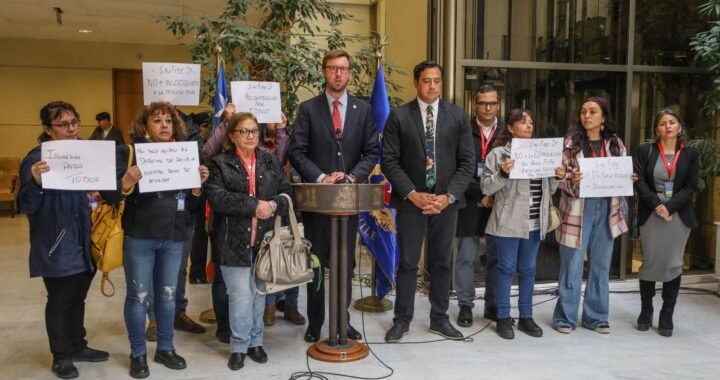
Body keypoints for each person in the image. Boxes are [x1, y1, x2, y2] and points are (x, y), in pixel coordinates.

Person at [288, 49, 379, 343]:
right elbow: (297, 151)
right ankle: (316, 323)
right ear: (324, 72)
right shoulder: (308, 109)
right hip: (318, 203)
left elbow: (371, 151)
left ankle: (343, 320)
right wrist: (320, 177)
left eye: (343, 68)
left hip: (348, 204)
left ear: (349, 73)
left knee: (345, 264)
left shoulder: (363, 110)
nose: (338, 74)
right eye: (332, 68)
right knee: (317, 265)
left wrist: (353, 176)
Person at [381, 60, 475, 343]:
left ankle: (439, 318)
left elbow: (467, 162)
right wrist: (412, 193)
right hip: (412, 202)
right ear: (416, 82)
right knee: (408, 263)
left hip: (446, 204)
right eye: (426, 80)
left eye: (436, 80)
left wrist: (448, 197)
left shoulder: (458, 117)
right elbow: (389, 160)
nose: (432, 85)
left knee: (441, 263)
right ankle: (402, 320)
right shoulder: (398, 116)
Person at [114, 102, 209, 378]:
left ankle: (166, 348)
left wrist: (195, 189)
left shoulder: (184, 154)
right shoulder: (129, 153)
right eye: (157, 120)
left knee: (168, 296)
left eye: (168, 120)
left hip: (174, 236)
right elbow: (111, 194)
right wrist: (126, 182)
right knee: (138, 296)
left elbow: (193, 207)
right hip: (140, 236)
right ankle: (138, 353)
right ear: (145, 127)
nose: (165, 125)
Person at [18, 101, 109, 379]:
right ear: (47, 129)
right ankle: (61, 355)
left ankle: (77, 345)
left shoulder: (87, 153)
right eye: (63, 124)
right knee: (60, 299)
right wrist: (34, 182)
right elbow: (26, 206)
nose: (71, 129)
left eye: (74, 122)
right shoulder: (37, 159)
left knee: (78, 297)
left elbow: (102, 188)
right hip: (57, 243)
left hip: (87, 238)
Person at [205, 112, 293, 370]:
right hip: (232, 242)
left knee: (259, 294)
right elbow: (217, 198)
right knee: (241, 296)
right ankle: (239, 346)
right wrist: (255, 206)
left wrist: (274, 205)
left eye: (254, 130)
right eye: (244, 131)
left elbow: (287, 193)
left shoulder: (270, 161)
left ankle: (256, 343)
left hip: (264, 242)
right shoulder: (218, 164)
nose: (251, 135)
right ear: (232, 136)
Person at [481, 109, 564, 339]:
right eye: (522, 121)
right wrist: (502, 173)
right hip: (509, 221)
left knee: (529, 270)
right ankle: (504, 317)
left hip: (536, 220)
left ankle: (526, 316)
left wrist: (557, 176)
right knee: (506, 269)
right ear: (510, 127)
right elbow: (486, 188)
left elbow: (551, 189)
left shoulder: (542, 153)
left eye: (531, 121)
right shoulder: (498, 155)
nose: (529, 125)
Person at [553, 96, 629, 335]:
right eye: (583, 111)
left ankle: (596, 317)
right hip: (577, 209)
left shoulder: (615, 144)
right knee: (572, 265)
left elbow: (621, 173)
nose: (586, 116)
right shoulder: (570, 144)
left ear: (603, 117)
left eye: (593, 111)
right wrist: (570, 180)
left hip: (607, 209)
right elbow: (559, 178)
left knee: (600, 265)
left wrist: (628, 178)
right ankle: (565, 317)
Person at [633, 109, 699, 337]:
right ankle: (646, 310)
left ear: (679, 127)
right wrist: (658, 206)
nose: (668, 126)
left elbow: (692, 186)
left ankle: (667, 313)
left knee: (673, 263)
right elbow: (639, 181)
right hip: (652, 214)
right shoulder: (645, 151)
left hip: (678, 216)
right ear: (656, 130)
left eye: (672, 122)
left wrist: (669, 207)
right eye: (663, 123)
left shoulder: (690, 154)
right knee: (650, 261)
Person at [454, 85, 504, 327]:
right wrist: (480, 194)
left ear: (498, 105)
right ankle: (465, 304)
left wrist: (492, 194)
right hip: (470, 201)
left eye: (492, 103)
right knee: (465, 257)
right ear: (475, 105)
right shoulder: (463, 130)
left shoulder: (507, 132)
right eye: (483, 103)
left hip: (499, 202)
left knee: (495, 257)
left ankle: (493, 305)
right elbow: (458, 167)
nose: (488, 108)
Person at [259, 114, 306, 327]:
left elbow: (284, 158)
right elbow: (271, 163)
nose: (273, 118)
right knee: (271, 252)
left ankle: (291, 305)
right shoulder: (254, 140)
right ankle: (269, 305)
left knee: (293, 248)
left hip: (286, 200)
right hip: (262, 204)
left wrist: (281, 131)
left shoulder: (287, 136)